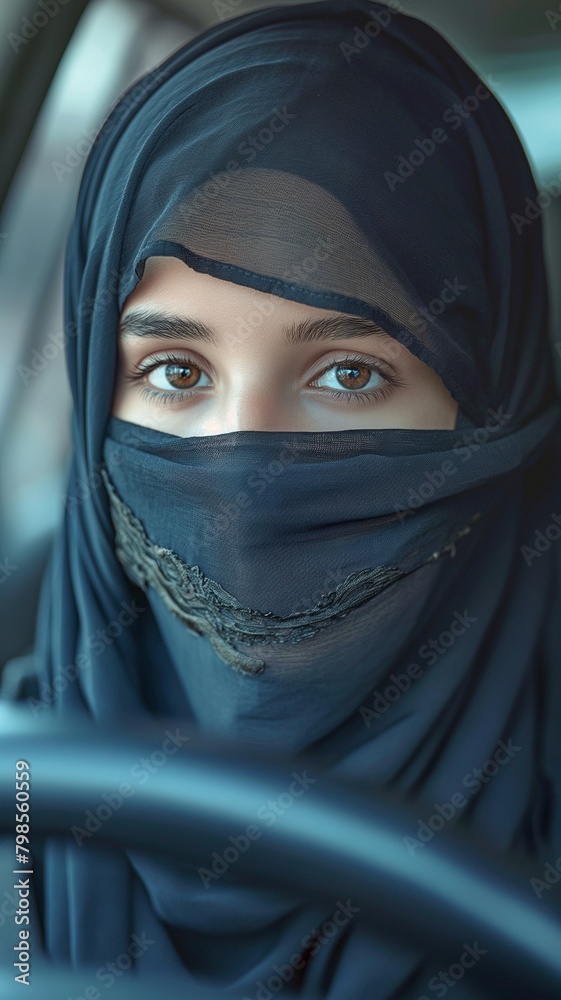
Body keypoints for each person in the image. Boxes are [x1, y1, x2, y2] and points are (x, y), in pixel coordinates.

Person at [12, 0, 561, 995]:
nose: (241, 466)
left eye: (348, 375)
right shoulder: (20, 800)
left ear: (492, 412)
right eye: (176, 373)